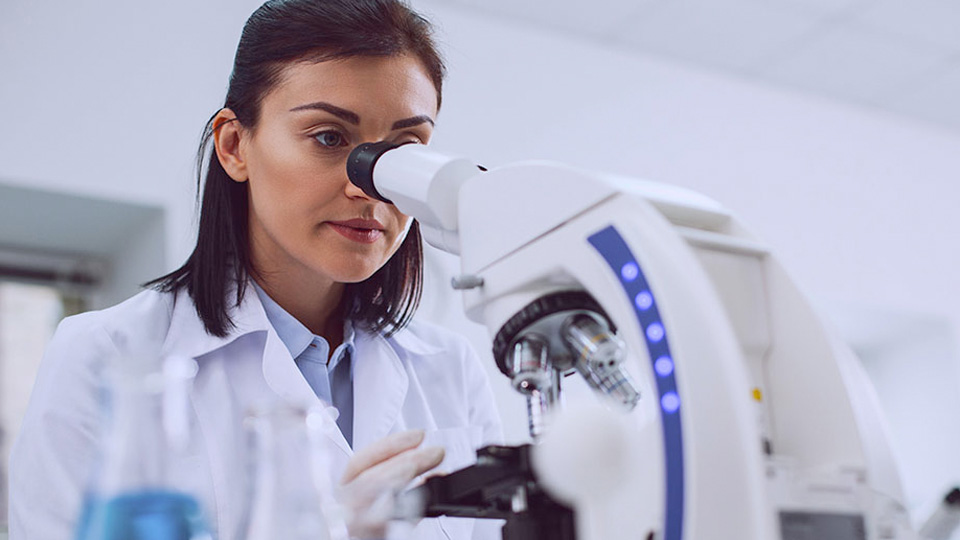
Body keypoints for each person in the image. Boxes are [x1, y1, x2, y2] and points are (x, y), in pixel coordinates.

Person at [8, 1, 503, 539]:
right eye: (329, 137)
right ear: (234, 145)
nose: (369, 187)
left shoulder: (450, 367)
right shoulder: (105, 355)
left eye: (403, 151)